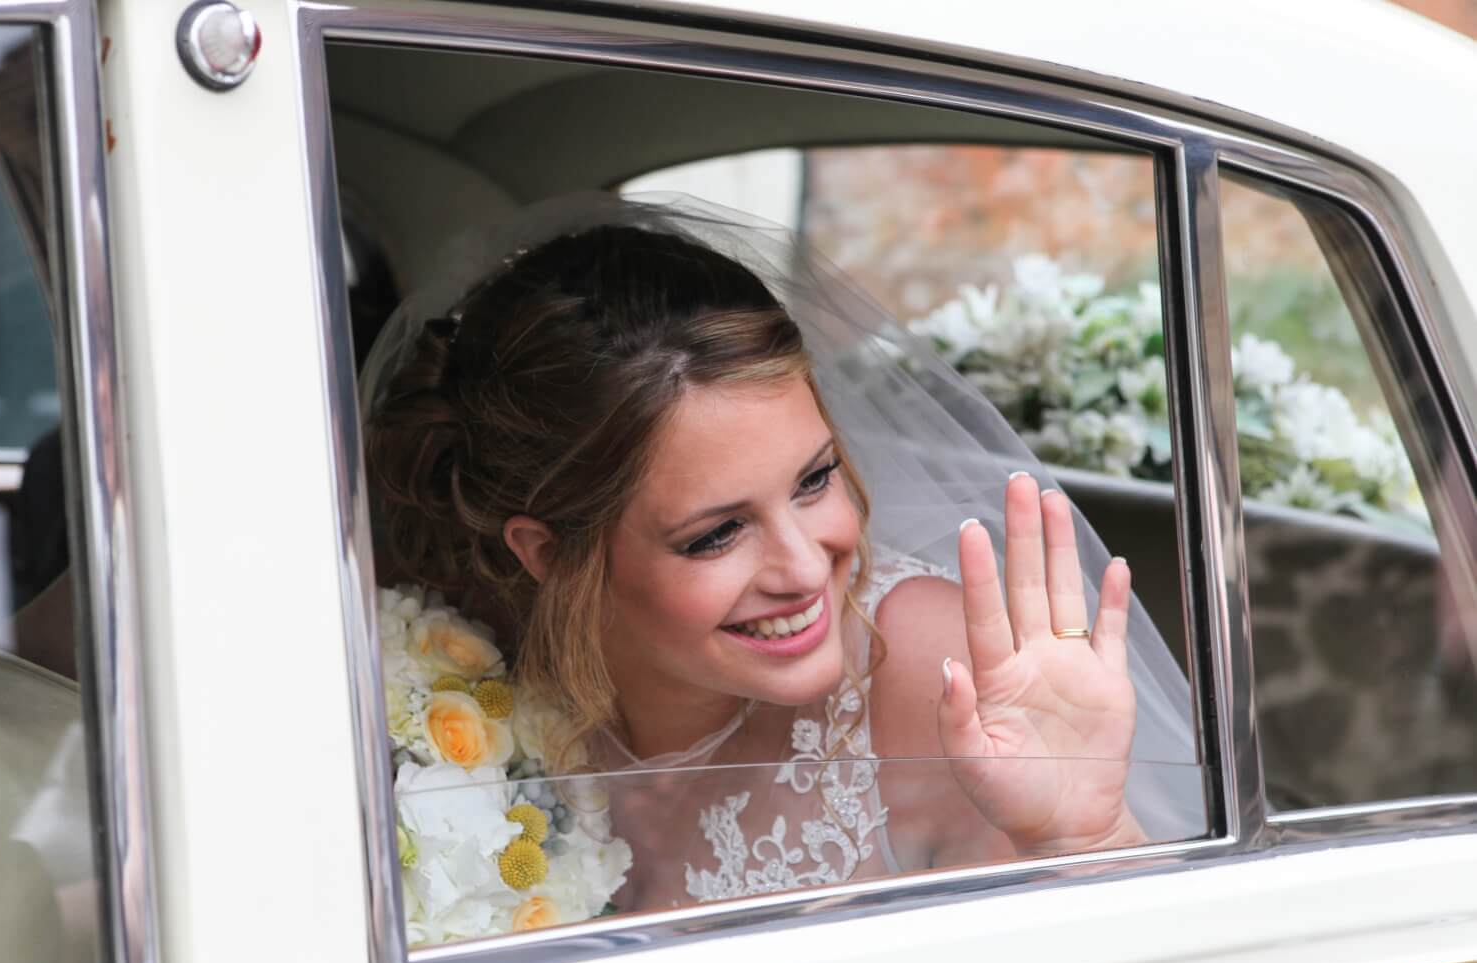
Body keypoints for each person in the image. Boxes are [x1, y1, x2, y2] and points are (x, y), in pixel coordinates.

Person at [365, 196, 1204, 915]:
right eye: (717, 534)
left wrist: (1085, 836)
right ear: (547, 553)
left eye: (814, 480)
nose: (807, 567)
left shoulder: (940, 680)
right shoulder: (458, 687)